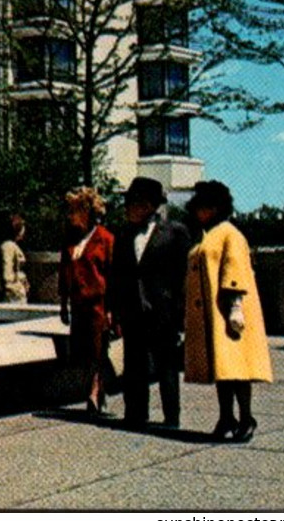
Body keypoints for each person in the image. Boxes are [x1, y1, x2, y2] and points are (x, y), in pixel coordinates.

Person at [184, 179, 273, 442]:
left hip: (229, 312)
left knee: (238, 369)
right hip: (213, 312)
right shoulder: (209, 235)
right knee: (223, 371)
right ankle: (226, 416)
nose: (198, 212)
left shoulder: (230, 234)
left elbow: (234, 270)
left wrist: (235, 306)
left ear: (214, 208)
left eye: (203, 206)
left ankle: (246, 417)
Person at [111, 177, 190, 429]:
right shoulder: (122, 235)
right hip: (132, 310)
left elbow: (182, 276)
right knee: (133, 364)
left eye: (131, 204)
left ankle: (171, 417)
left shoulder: (174, 233)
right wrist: (114, 310)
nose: (127, 209)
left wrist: (180, 312)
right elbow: (117, 275)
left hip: (163, 311)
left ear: (147, 206)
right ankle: (135, 413)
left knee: (166, 365)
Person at [59, 186, 116, 417]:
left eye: (75, 210)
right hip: (78, 305)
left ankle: (94, 391)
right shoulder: (71, 241)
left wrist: (112, 309)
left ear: (87, 212)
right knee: (83, 352)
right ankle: (98, 389)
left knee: (98, 350)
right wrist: (63, 304)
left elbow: (112, 275)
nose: (70, 215)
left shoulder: (105, 238)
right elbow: (64, 272)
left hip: (98, 305)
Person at [0, 213, 29, 303]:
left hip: (18, 290)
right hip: (14, 294)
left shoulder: (13, 246)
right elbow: (7, 271)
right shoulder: (8, 246)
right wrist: (13, 288)